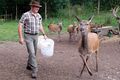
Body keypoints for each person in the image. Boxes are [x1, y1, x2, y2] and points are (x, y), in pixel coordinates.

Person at [18, 0, 47, 78]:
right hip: (28, 36)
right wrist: (21, 37)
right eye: (36, 7)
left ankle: (29, 65)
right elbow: (20, 25)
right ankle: (35, 70)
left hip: (36, 36)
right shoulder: (26, 15)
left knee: (34, 53)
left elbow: (40, 25)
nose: (37, 8)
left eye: (38, 7)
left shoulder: (39, 16)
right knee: (32, 53)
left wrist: (44, 34)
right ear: (32, 6)